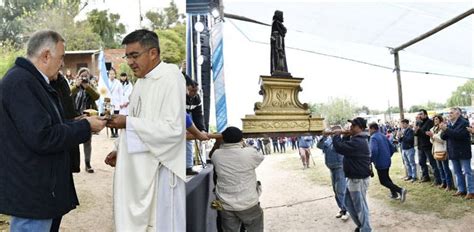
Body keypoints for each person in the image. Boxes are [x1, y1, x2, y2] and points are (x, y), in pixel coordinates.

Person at [0, 30, 106, 232]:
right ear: (46, 56)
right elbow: (43, 137)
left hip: (40, 189)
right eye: (61, 57)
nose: (63, 63)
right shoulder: (22, 83)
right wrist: (85, 126)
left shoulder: (33, 81)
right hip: (32, 193)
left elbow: (46, 126)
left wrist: (76, 122)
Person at [104, 29, 187, 231]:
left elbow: (174, 129)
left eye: (135, 56)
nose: (130, 62)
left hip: (161, 172)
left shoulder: (170, 77)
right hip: (138, 167)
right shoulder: (140, 82)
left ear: (153, 53)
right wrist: (119, 147)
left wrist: (127, 123)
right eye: (127, 56)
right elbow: (137, 117)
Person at [211, 127, 264, 232]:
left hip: (225, 205)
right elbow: (260, 157)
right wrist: (244, 144)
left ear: (223, 139)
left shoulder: (216, 155)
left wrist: (217, 143)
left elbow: (212, 154)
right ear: (241, 139)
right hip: (249, 203)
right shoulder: (249, 153)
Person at [332, 117, 372, 232]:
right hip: (353, 178)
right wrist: (344, 136)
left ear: (360, 128)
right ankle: (361, 226)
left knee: (360, 207)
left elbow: (340, 148)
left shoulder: (359, 141)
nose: (350, 127)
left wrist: (336, 135)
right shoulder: (356, 139)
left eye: (353, 125)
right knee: (348, 203)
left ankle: (366, 229)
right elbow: (345, 147)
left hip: (358, 180)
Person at [71, 67, 100, 173]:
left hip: (87, 117)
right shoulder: (74, 86)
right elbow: (68, 96)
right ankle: (74, 164)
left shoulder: (90, 87)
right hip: (75, 117)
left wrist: (87, 87)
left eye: (86, 76)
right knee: (73, 141)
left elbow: (97, 97)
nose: (84, 78)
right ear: (78, 76)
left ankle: (87, 164)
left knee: (87, 141)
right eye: (82, 76)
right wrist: (77, 86)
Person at [369, 123, 407, 202]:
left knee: (383, 181)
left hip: (380, 162)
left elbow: (374, 151)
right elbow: (392, 147)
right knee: (386, 178)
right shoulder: (383, 135)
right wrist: (388, 156)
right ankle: (394, 194)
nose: (369, 131)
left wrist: (372, 160)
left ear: (372, 128)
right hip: (386, 160)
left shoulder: (373, 138)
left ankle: (400, 190)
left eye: (369, 129)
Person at [441, 107, 474, 199]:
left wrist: (446, 129)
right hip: (453, 151)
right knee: (457, 172)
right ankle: (461, 189)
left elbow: (458, 135)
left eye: (451, 113)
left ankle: (471, 191)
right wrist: (444, 129)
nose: (449, 114)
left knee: (467, 172)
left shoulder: (464, 123)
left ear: (458, 114)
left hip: (463, 151)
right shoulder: (449, 123)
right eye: (449, 113)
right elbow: (443, 137)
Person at [317, 127, 349, 221]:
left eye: (336, 131)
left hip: (340, 167)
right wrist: (324, 136)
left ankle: (346, 210)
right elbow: (319, 146)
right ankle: (342, 208)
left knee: (340, 190)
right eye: (333, 131)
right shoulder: (328, 141)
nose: (333, 133)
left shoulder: (341, 141)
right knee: (335, 190)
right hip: (331, 168)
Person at [185, 74, 206, 175]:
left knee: (188, 141)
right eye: (192, 91)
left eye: (196, 91)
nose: (194, 93)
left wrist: (201, 130)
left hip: (186, 124)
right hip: (173, 123)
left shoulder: (197, 99)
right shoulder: (176, 95)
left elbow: (198, 115)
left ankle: (188, 167)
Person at [427, 115, 454, 191]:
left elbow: (442, 140)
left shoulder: (443, 128)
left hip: (443, 149)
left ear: (440, 120)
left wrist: (433, 136)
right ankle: (443, 182)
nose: (435, 120)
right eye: (434, 119)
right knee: (440, 168)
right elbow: (431, 141)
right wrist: (432, 137)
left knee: (445, 168)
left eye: (436, 119)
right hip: (436, 150)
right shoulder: (432, 129)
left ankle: (449, 184)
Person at [414, 109, 441, 185]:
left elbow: (427, 134)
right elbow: (416, 134)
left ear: (425, 115)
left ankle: (437, 179)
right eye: (419, 114)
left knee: (432, 163)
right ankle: (425, 176)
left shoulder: (429, 122)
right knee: (421, 162)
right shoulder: (419, 123)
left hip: (428, 146)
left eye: (421, 114)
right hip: (420, 146)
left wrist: (419, 130)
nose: (420, 115)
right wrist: (416, 130)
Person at [107, 67, 124, 138]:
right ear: (108, 74)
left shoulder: (118, 83)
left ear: (115, 75)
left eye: (113, 74)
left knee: (116, 118)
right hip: (109, 103)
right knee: (110, 118)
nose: (112, 75)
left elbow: (121, 93)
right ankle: (112, 132)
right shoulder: (106, 82)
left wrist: (121, 103)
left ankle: (116, 132)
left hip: (116, 102)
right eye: (110, 74)